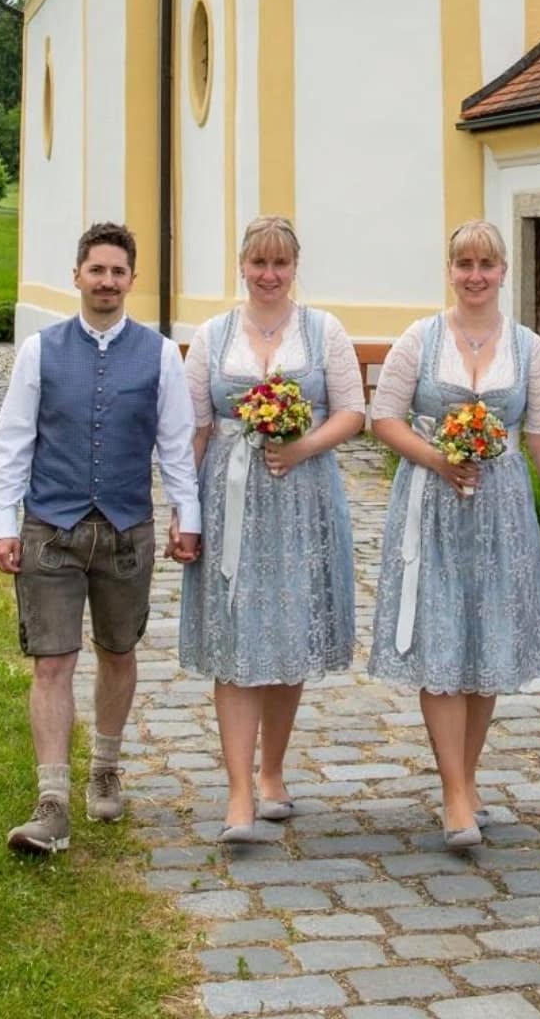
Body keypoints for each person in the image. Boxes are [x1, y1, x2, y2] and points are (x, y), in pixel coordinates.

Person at [0, 222, 200, 856]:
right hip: (51, 526)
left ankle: (105, 766)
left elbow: (175, 444)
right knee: (52, 660)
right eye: (96, 270)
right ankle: (51, 799)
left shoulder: (160, 354)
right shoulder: (41, 350)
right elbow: (12, 442)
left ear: (131, 281)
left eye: (117, 272)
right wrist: (3, 524)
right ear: (76, 275)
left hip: (125, 530)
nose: (107, 281)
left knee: (118, 651)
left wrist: (187, 515)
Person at [368, 220, 540, 847]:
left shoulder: (528, 347)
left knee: (485, 646)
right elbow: (385, 418)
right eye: (465, 264)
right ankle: (455, 794)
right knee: (439, 643)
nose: (476, 275)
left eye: (487, 264)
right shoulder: (420, 338)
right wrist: (436, 458)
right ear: (451, 270)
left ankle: (466, 776)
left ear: (503, 270)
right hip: (432, 504)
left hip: (501, 508)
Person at [175, 216, 366, 842]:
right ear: (242, 265)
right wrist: (185, 509)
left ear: (294, 267)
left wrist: (304, 445)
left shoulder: (323, 330)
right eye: (258, 263)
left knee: (288, 633)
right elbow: (196, 426)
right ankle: (236, 794)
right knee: (235, 640)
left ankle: (273, 773)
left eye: (280, 264)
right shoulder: (212, 334)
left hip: (301, 497)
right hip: (230, 500)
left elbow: (353, 411)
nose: (268, 274)